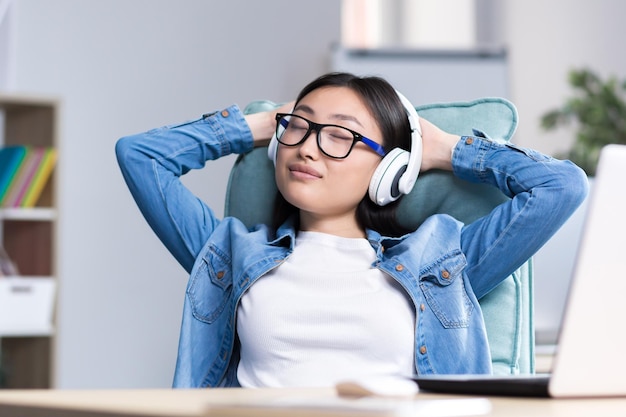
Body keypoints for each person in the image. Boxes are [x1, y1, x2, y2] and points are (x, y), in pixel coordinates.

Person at [115, 72, 588, 389]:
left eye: (340, 135)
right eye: (298, 128)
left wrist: (447, 150)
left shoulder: (438, 259)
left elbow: (560, 187)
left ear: (393, 171)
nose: (308, 148)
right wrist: (260, 124)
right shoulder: (227, 253)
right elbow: (140, 156)